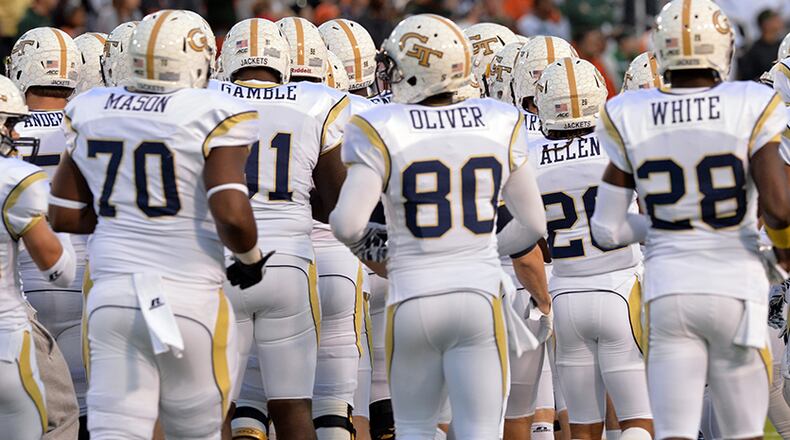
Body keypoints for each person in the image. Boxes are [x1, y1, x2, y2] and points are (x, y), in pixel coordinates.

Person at [47, 10, 268, 439]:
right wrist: (251, 259)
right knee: (198, 431)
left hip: (111, 295)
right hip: (189, 297)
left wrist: (124, 216)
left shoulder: (90, 107)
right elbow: (232, 214)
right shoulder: (215, 109)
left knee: (118, 430)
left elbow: (64, 213)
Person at [330, 13, 548, 438]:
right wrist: (478, 248)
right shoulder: (497, 121)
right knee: (481, 430)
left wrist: (397, 256)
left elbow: (347, 223)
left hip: (414, 296)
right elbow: (533, 222)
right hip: (480, 296)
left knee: (414, 429)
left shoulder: (379, 125)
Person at [591, 1, 790, 438]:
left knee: (676, 431)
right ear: (724, 47)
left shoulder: (631, 112)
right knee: (743, 430)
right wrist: (782, 253)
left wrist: (665, 227)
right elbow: (779, 207)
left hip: (669, 289)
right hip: (735, 285)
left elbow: (606, 229)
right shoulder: (751, 102)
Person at [214, 17, 352, 440]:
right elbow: (335, 206)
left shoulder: (202, 98)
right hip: (290, 265)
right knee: (293, 409)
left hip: (221, 263)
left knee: (213, 406)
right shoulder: (315, 102)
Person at [532, 57, 653, 440]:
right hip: (620, 289)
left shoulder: (529, 156)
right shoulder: (619, 143)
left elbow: (529, 237)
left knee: (584, 427)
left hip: (565, 294)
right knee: (637, 420)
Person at [7, 26, 85, 438]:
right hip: (80, 280)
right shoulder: (89, 116)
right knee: (87, 411)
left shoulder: (9, 125)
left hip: (19, 289)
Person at [738, 9, 785, 81]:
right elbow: (748, 79)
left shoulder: (782, 46)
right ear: (765, 24)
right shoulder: (753, 51)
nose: (779, 21)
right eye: (775, 20)